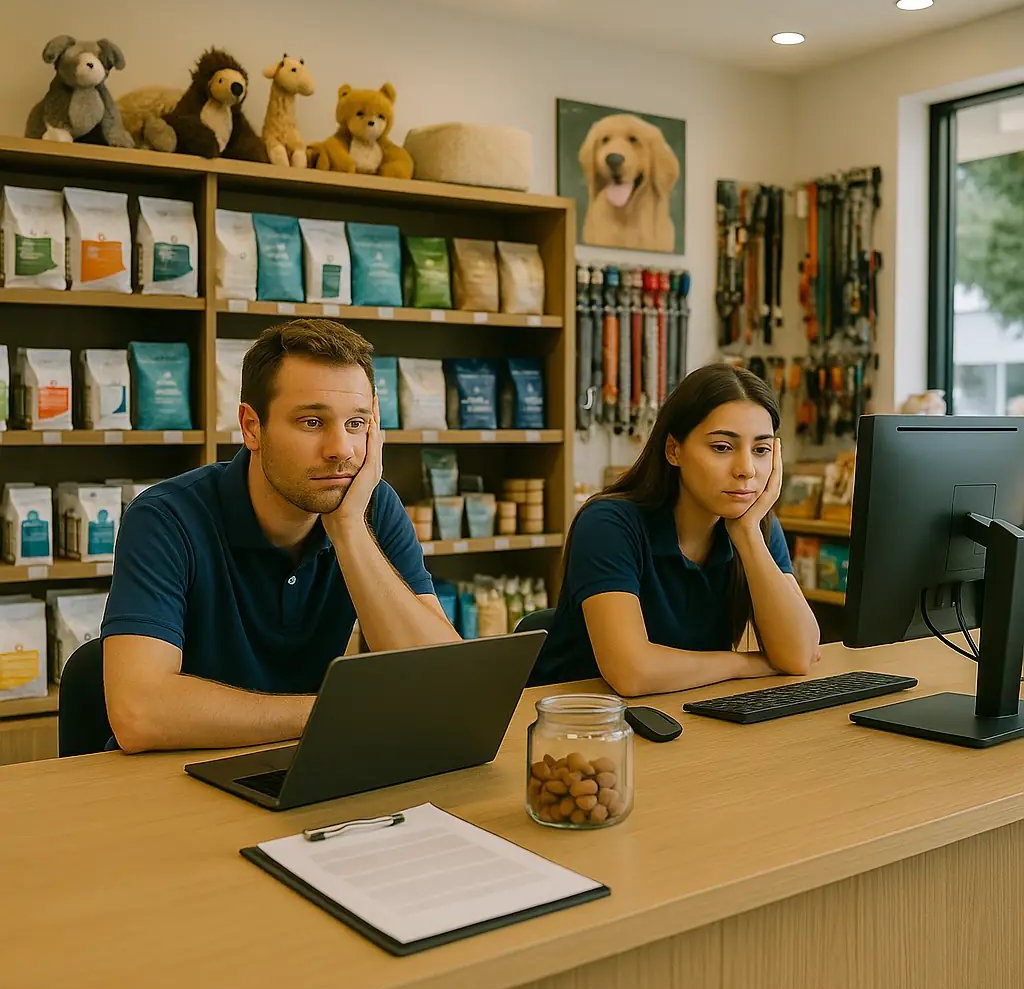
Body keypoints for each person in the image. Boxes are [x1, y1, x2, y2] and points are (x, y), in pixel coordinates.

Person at [102, 320, 459, 753]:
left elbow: (445, 686)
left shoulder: (370, 505)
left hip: (308, 762)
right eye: (312, 422)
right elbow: (138, 713)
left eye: (356, 423)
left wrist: (348, 530)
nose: (341, 449)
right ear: (252, 427)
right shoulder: (164, 518)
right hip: (175, 773)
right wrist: (335, 712)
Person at [531, 362, 820, 694]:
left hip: (682, 708)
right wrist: (746, 664)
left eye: (761, 450)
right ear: (674, 450)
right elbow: (632, 673)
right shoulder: (608, 524)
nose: (747, 470)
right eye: (722, 447)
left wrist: (747, 535)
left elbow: (798, 655)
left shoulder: (756, 525)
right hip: (580, 716)